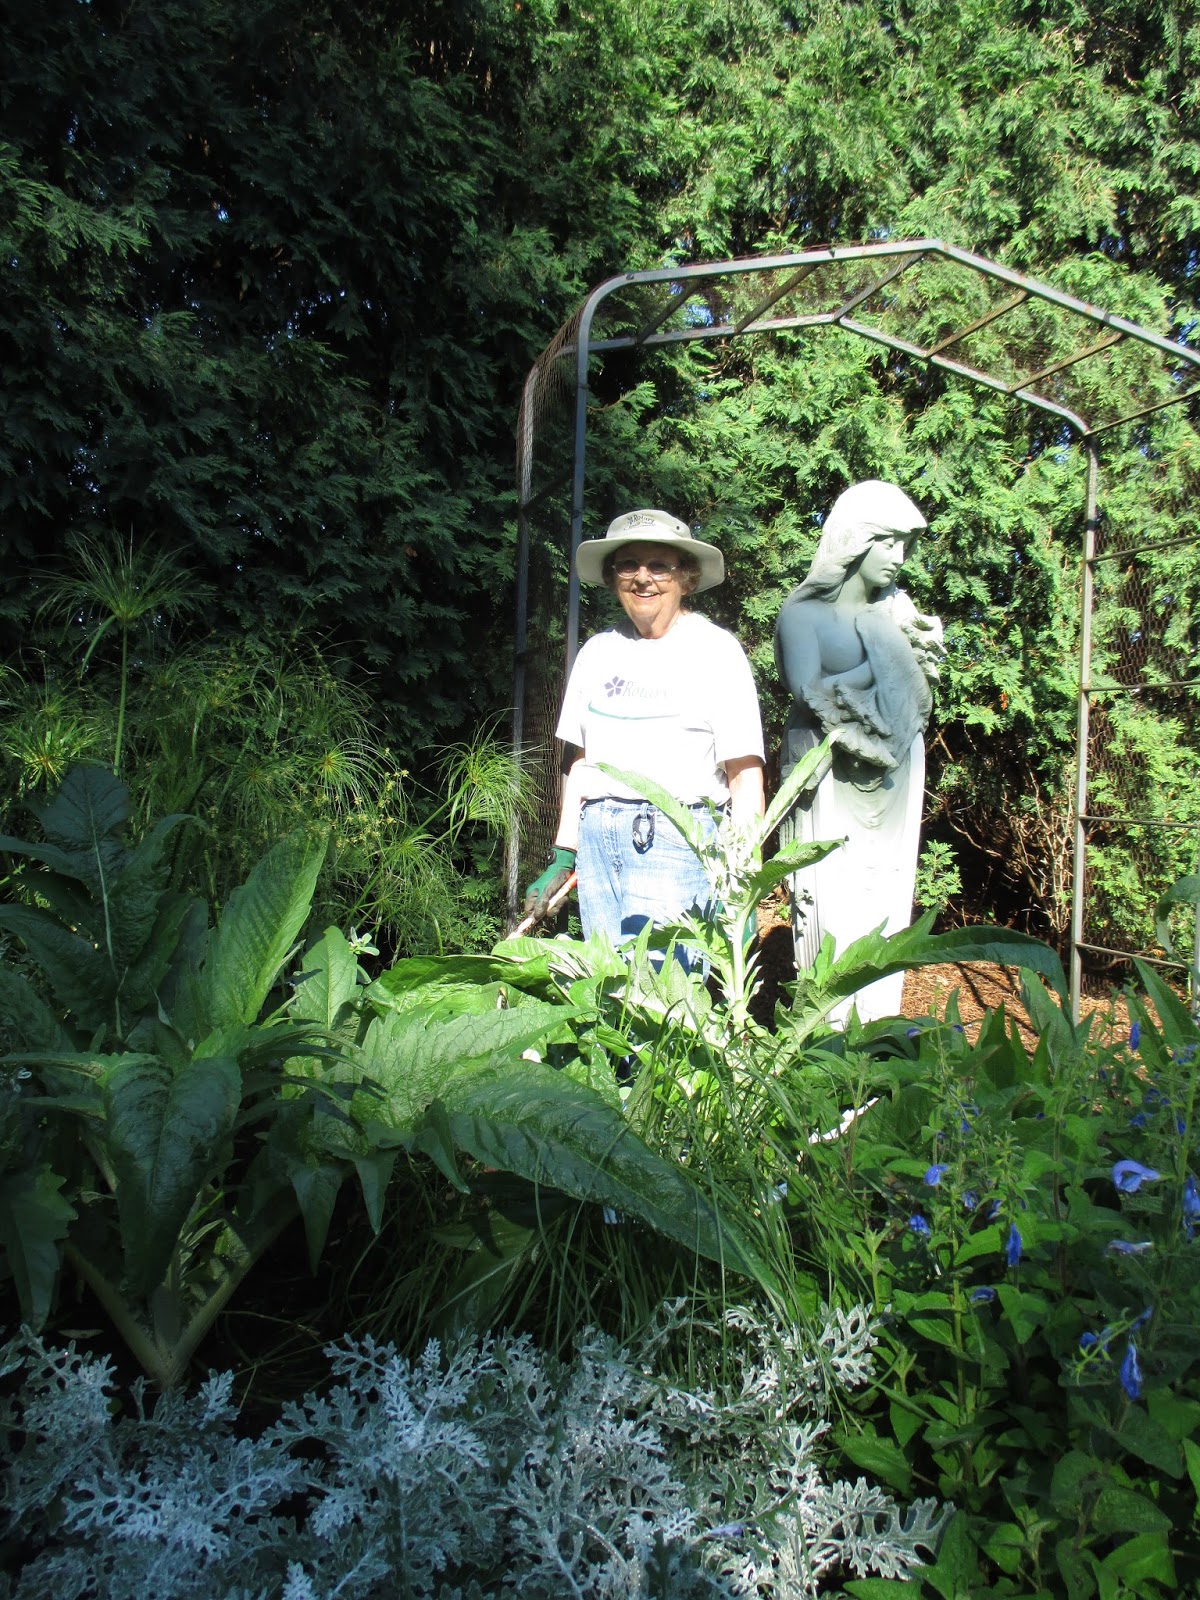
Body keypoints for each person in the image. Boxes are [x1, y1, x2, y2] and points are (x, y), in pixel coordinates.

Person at [524, 508, 765, 950]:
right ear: (613, 577)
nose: (642, 578)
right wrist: (564, 853)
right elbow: (582, 763)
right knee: (607, 982)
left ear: (685, 577)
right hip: (598, 843)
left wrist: (743, 880)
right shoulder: (597, 653)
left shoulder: (716, 651)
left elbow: (745, 776)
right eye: (628, 565)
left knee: (665, 985)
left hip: (680, 840)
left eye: (658, 565)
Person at [773, 480, 943, 1021]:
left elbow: (919, 692)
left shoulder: (897, 611)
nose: (898, 558)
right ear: (855, 540)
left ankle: (876, 1024)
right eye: (887, 542)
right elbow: (809, 691)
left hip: (895, 766)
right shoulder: (803, 616)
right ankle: (826, 1030)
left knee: (885, 893)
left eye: (905, 545)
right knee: (830, 894)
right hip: (826, 763)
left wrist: (907, 654)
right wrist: (886, 658)